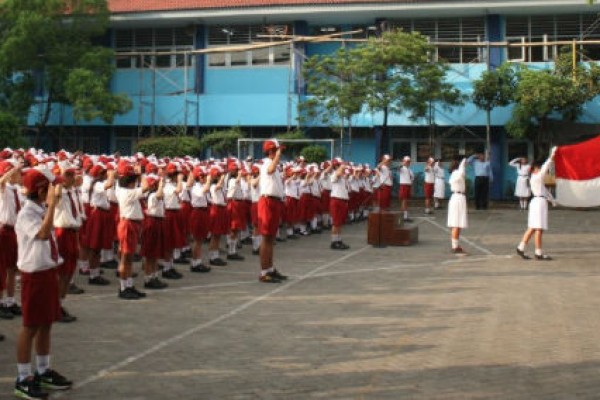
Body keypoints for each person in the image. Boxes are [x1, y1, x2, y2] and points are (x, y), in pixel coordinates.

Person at [15, 168, 72, 399]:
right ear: (41, 190)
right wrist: (50, 207)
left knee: (46, 323)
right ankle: (23, 377)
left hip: (47, 272)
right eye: (52, 187)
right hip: (34, 276)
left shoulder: (39, 209)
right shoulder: (27, 213)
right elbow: (43, 233)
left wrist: (48, 206)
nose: (57, 191)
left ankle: (43, 370)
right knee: (30, 326)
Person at [52, 162, 83, 322]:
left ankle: (60, 304)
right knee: (61, 273)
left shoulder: (71, 192)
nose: (73, 178)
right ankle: (54, 306)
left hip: (72, 232)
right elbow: (54, 202)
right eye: (69, 175)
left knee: (69, 272)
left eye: (72, 174)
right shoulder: (58, 192)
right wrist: (57, 182)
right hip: (62, 232)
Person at [115, 162, 150, 299]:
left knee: (128, 258)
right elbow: (146, 187)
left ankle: (129, 284)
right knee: (126, 258)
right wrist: (141, 174)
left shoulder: (123, 189)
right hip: (128, 225)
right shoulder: (127, 192)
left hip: (131, 224)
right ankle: (124, 287)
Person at [516, 148, 557, 261]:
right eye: (538, 168)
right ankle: (538, 252)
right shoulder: (536, 177)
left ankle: (521, 247)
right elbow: (545, 168)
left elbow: (545, 191)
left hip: (539, 202)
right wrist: (552, 156)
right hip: (538, 203)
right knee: (538, 228)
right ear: (534, 169)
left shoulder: (536, 179)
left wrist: (553, 201)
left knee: (533, 227)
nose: (540, 169)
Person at [257, 139, 287, 283]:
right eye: (276, 150)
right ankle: (264, 272)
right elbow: (270, 170)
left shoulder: (274, 164)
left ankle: (270, 268)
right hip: (267, 201)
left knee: (271, 238)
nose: (279, 153)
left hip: (275, 202)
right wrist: (277, 157)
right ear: (270, 151)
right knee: (266, 237)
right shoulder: (266, 163)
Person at [0, 159, 23, 321]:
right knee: (2, 269)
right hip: (4, 231)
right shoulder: (4, 188)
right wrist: (12, 170)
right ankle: (1, 302)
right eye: (15, 173)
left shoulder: (17, 190)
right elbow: (1, 181)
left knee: (12, 268)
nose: (18, 175)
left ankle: (10, 300)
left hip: (15, 231)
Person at [447, 157, 468, 254]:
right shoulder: (456, 173)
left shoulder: (456, 174)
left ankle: (456, 244)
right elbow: (461, 173)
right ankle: (454, 246)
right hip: (457, 198)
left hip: (459, 198)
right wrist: (463, 163)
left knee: (458, 223)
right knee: (456, 222)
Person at [329, 162, 351, 250]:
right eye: (340, 165)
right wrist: (341, 167)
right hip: (336, 200)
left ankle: (339, 240)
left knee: (340, 223)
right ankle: (334, 242)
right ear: (337, 166)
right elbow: (337, 175)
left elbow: (344, 176)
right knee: (336, 222)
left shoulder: (342, 176)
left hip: (342, 200)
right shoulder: (334, 174)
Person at [398, 156, 414, 222]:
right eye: (407, 161)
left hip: (408, 186)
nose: (408, 163)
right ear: (404, 161)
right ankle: (404, 216)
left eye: (409, 161)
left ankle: (404, 215)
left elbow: (412, 179)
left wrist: (411, 187)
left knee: (406, 201)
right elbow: (398, 168)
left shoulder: (410, 170)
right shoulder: (402, 168)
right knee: (404, 201)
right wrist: (403, 164)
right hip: (404, 185)